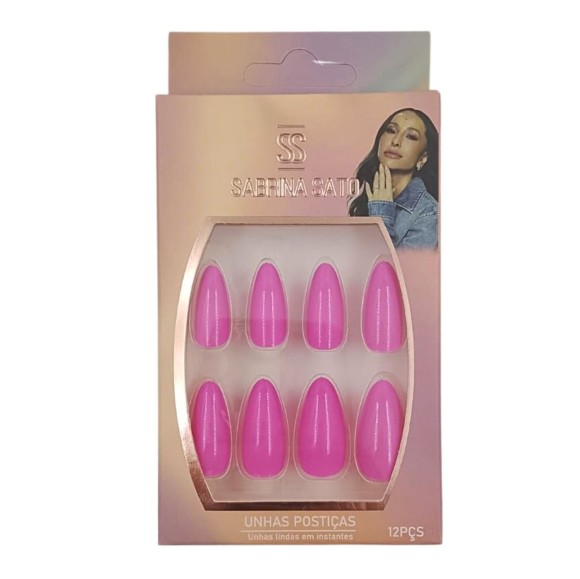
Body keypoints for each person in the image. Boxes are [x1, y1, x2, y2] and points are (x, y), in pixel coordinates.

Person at [348, 108, 439, 249]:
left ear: (423, 158)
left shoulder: (429, 215)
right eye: (391, 130)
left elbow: (382, 261)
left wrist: (381, 211)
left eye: (411, 137)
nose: (396, 141)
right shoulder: (366, 194)